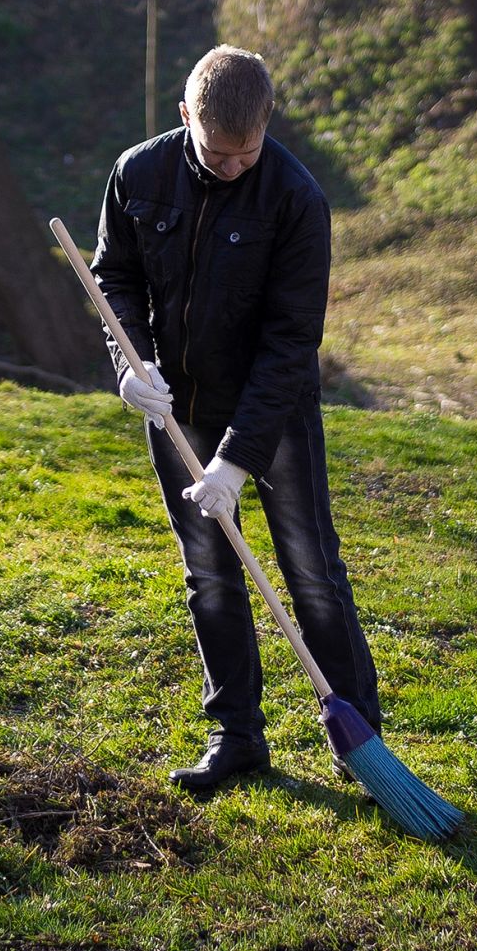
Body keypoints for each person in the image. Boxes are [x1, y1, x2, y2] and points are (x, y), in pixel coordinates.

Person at [90, 45, 381, 791]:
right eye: (216, 153)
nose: (231, 166)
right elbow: (113, 276)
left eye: (245, 153)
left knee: (311, 574)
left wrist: (235, 460)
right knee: (211, 575)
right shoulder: (137, 175)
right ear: (185, 117)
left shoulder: (296, 199)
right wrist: (133, 368)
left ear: (266, 124)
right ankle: (238, 739)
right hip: (176, 404)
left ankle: (362, 743)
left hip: (271, 412)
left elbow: (291, 344)